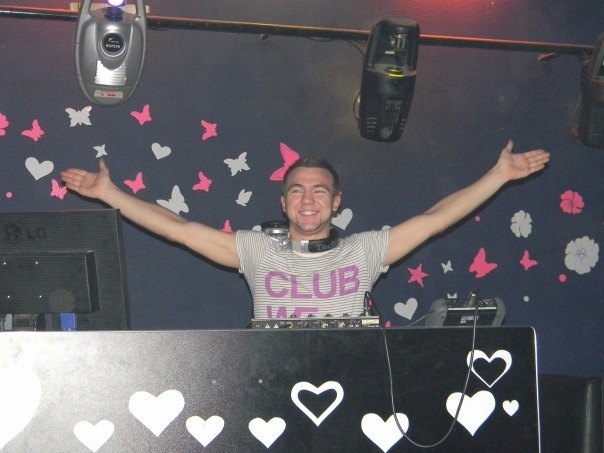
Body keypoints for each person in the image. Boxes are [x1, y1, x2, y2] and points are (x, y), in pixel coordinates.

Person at [61, 140, 550, 319]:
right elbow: (178, 228)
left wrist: (499, 175)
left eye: (319, 191)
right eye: (297, 190)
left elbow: (435, 218)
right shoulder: (257, 251)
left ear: (336, 203)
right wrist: (109, 193)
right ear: (284, 203)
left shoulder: (364, 251)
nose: (308, 199)